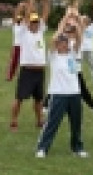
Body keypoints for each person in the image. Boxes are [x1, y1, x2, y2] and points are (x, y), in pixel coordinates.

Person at [36, 12, 86, 158]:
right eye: (60, 42)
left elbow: (79, 39)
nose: (63, 44)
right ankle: (43, 148)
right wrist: (65, 19)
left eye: (64, 42)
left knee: (76, 123)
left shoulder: (73, 54)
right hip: (58, 93)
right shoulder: (53, 56)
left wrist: (76, 26)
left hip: (74, 93)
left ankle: (77, 147)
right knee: (52, 122)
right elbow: (54, 38)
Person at [10, 0, 51, 131]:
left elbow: (46, 13)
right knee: (19, 98)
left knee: (39, 99)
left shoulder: (40, 31)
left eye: (36, 22)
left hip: (39, 70)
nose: (35, 23)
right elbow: (28, 13)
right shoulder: (23, 32)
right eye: (32, 22)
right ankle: (14, 121)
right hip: (27, 70)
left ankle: (39, 121)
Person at [5, 12, 22, 82]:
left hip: (23, 46)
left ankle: (20, 76)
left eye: (20, 19)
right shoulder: (15, 26)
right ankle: (9, 76)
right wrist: (20, 8)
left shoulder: (24, 26)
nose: (19, 20)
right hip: (16, 46)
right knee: (13, 62)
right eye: (18, 19)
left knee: (22, 62)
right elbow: (15, 16)